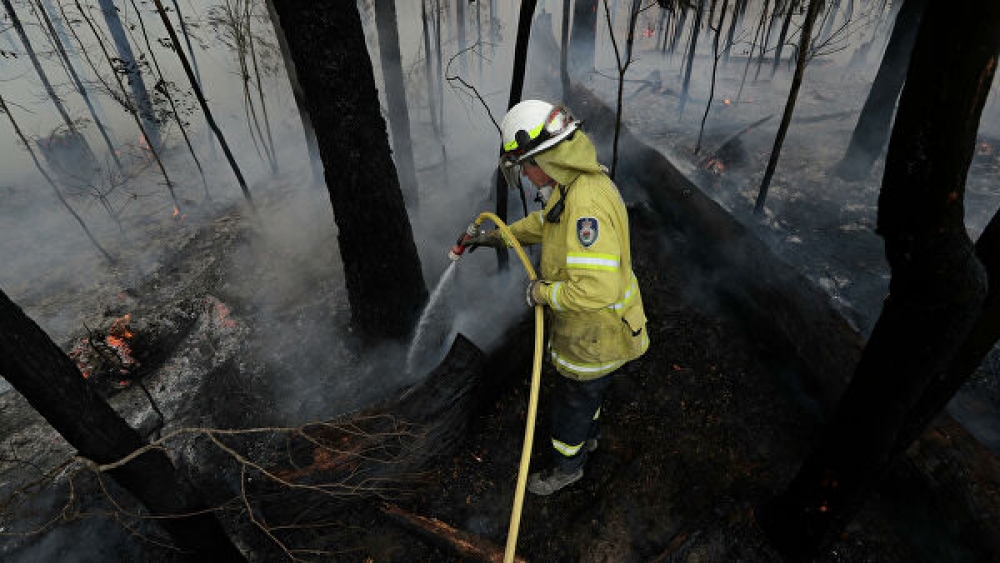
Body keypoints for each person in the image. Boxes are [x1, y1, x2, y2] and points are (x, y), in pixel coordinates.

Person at [469, 100, 649, 495]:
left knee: (572, 404)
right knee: (589, 397)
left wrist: (541, 293)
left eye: (526, 166)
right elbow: (544, 223)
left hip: (594, 338)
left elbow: (596, 290)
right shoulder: (575, 186)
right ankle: (590, 436)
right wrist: (498, 236)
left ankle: (569, 466)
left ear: (546, 158)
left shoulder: (586, 207)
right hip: (598, 335)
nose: (528, 176)